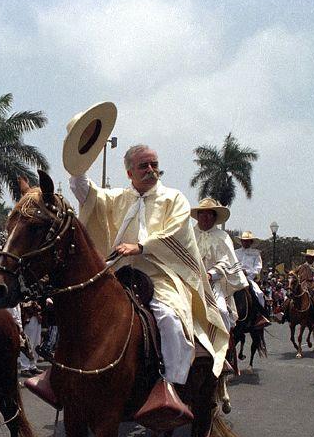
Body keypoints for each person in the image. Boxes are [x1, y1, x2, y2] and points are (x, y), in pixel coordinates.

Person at [69, 144, 229, 386]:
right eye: (143, 166)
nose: (151, 170)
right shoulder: (117, 198)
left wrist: (141, 246)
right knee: (78, 312)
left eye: (154, 164)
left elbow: (177, 232)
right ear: (129, 173)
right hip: (117, 274)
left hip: (160, 277)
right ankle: (65, 377)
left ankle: (171, 387)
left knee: (171, 321)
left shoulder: (174, 198)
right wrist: (79, 162)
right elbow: (87, 194)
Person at [190, 198, 248, 330]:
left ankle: (225, 345)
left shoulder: (223, 237)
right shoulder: (189, 234)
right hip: (190, 280)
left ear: (214, 217)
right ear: (197, 216)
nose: (205, 217)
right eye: (202, 213)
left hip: (213, 283)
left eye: (210, 214)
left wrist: (210, 275)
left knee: (221, 311)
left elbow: (226, 261)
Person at [234, 231, 271, 326]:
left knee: (259, 294)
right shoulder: (235, 252)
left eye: (247, 241)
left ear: (251, 242)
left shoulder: (256, 253)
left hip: (248, 278)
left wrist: (248, 272)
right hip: (235, 277)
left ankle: (260, 316)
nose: (245, 243)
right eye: (243, 241)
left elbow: (258, 268)